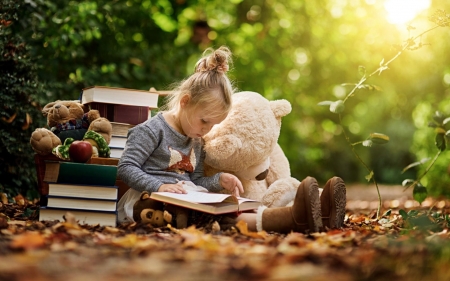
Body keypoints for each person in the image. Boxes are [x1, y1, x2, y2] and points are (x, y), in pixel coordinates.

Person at [117, 46, 346, 233]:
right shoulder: (150, 130)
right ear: (185, 101)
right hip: (152, 201)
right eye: (204, 121)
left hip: (187, 199)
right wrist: (160, 185)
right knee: (212, 218)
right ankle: (294, 217)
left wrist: (219, 180)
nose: (206, 130)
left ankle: (314, 214)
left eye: (213, 126)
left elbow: (196, 180)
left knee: (225, 207)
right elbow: (126, 168)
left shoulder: (196, 138)